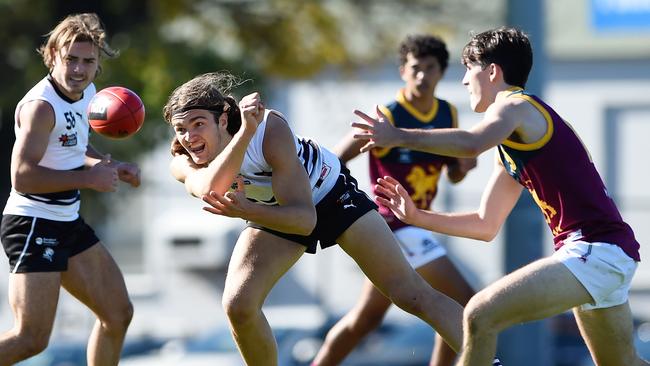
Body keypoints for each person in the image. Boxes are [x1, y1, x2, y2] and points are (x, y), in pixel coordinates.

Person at [163, 72, 504, 366]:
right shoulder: (183, 158)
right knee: (238, 306)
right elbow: (211, 187)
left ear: (223, 119)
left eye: (198, 124)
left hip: (330, 199)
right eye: (181, 128)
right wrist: (242, 139)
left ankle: (491, 362)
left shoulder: (268, 129)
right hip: (272, 212)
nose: (189, 137)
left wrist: (249, 149)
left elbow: (303, 220)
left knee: (409, 294)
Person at [352, 27, 648, 366]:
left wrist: (397, 135)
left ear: (492, 72)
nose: (464, 81)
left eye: (469, 69)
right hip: (602, 253)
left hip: (594, 251)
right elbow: (485, 224)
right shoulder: (513, 139)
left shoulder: (514, 106)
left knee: (479, 312)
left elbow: (471, 143)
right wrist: (418, 217)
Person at [313, 34, 476, 366]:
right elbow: (336, 158)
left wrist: (463, 167)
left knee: (366, 320)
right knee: (463, 305)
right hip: (391, 225)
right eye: (415, 68)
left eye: (430, 68)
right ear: (403, 71)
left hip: (415, 224)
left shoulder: (448, 114)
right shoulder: (389, 114)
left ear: (441, 72)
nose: (422, 76)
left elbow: (453, 174)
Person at [0, 13, 139, 366]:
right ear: (52, 57)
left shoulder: (88, 93)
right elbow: (22, 176)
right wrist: (88, 180)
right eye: (70, 60)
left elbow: (72, 147)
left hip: (66, 219)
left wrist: (109, 166)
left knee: (118, 313)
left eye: (87, 61)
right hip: (32, 223)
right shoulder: (40, 107)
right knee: (30, 339)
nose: (78, 69)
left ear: (97, 64)